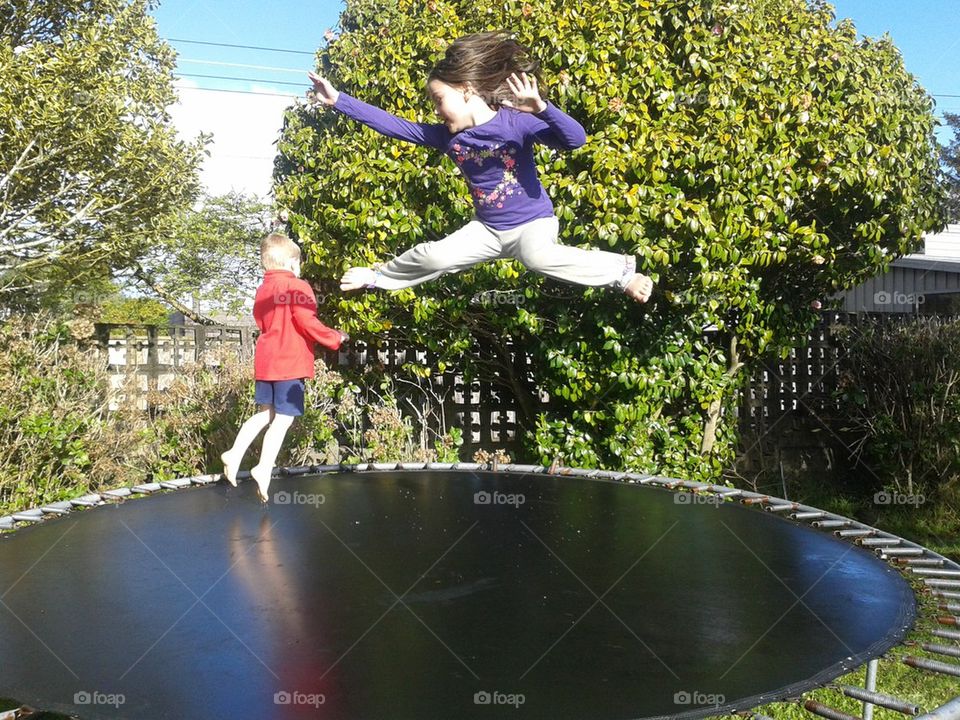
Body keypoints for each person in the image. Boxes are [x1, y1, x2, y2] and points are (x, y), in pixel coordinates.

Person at [306, 30, 653, 303]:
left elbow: (575, 140)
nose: (437, 111)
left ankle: (622, 273)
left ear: (467, 90)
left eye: (440, 100)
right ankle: (379, 276)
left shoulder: (517, 121)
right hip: (487, 230)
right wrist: (339, 100)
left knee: (537, 257)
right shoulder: (447, 137)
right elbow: (395, 125)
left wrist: (543, 108)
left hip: (533, 223)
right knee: (436, 257)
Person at [221, 233, 347, 503]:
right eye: (299, 263)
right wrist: (335, 337)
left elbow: (261, 320)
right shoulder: (298, 286)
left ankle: (234, 452)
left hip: (266, 361)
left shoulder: (263, 289)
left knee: (266, 415)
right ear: (292, 263)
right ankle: (263, 467)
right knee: (284, 419)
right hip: (289, 362)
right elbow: (306, 321)